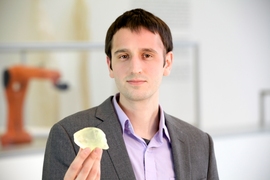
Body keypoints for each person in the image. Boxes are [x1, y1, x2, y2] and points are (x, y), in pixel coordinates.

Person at [42, 8, 219, 180]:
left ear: (168, 63)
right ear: (109, 65)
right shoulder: (67, 135)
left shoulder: (200, 144)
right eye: (124, 56)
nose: (135, 68)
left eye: (147, 55)